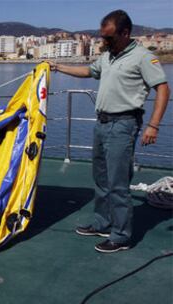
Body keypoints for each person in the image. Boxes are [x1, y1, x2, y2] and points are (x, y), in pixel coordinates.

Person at [48, 10, 170, 253]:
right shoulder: (108, 56)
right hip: (102, 124)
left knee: (118, 182)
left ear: (125, 33)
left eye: (109, 38)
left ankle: (121, 236)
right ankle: (103, 223)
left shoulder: (143, 58)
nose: (104, 42)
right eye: (102, 37)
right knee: (101, 178)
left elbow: (163, 90)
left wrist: (153, 125)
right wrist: (57, 67)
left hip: (123, 125)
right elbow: (89, 72)